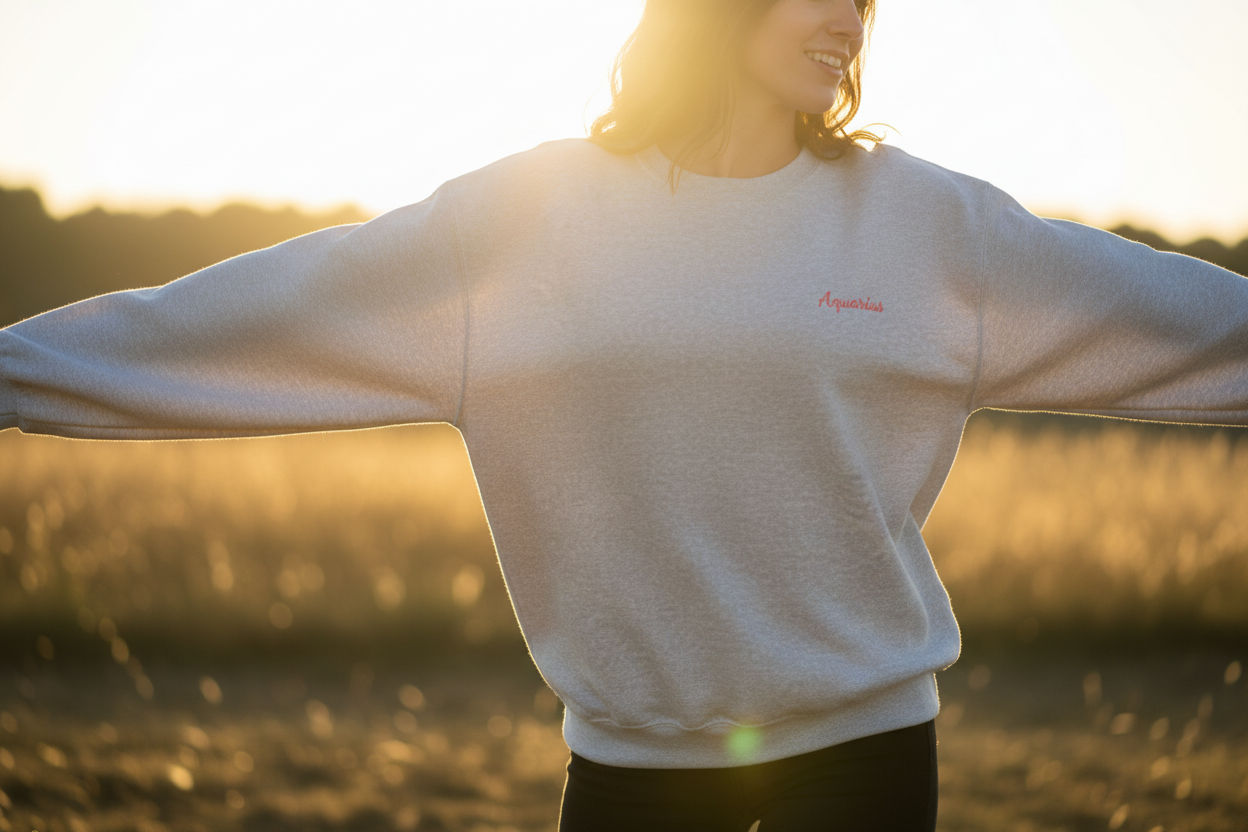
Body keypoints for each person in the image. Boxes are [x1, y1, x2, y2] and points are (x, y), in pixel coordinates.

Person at [2, 0, 1246, 828]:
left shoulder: (932, 228)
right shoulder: (523, 220)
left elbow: (1183, 317)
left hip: (866, 764)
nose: (848, 19)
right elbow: (248, 312)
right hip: (630, 777)